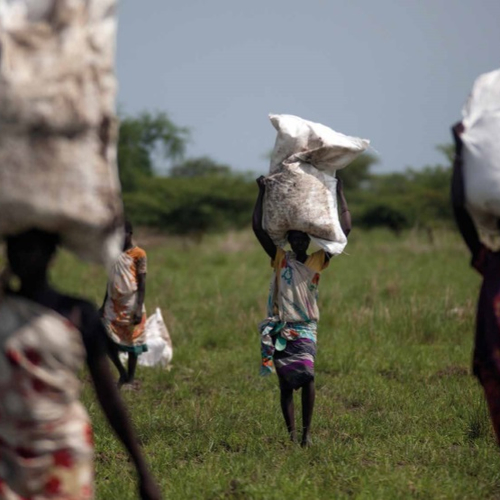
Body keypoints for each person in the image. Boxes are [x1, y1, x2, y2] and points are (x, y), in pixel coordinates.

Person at [0, 229, 162, 499]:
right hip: (7, 447)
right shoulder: (5, 310)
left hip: (63, 446)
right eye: (14, 249)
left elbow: (107, 395)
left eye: (32, 249)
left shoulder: (77, 313)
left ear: (51, 254)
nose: (22, 257)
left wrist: (142, 470)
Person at [252, 175, 351, 447]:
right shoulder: (280, 258)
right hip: (281, 325)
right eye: (293, 239)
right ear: (288, 241)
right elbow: (258, 230)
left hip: (306, 326)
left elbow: (346, 230)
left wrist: (339, 192)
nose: (298, 243)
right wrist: (261, 193)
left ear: (307, 241)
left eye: (302, 239)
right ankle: (292, 435)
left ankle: (307, 434)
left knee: (308, 376)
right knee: (285, 385)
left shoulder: (317, 261)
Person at [451, 122, 500, 445]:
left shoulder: (493, 265)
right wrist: (461, 156)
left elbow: (461, 212)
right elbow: (461, 211)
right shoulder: (493, 264)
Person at [101, 221, 148, 387]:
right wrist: (103, 304)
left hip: (131, 304)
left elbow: (142, 283)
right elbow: (110, 282)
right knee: (105, 340)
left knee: (133, 342)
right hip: (112, 306)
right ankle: (122, 373)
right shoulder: (112, 254)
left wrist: (138, 308)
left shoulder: (139, 254)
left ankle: (131, 378)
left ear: (130, 233)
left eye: (123, 234)